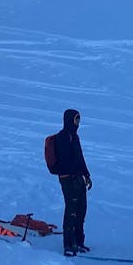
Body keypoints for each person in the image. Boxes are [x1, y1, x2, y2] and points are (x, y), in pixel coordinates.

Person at [51, 108, 92, 257]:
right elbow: (65, 160)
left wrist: (86, 174)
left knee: (81, 209)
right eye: (76, 119)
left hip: (78, 178)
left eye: (79, 119)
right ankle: (68, 244)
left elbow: (79, 158)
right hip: (68, 178)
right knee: (72, 210)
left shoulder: (75, 137)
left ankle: (79, 241)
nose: (78, 122)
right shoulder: (63, 137)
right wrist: (74, 175)